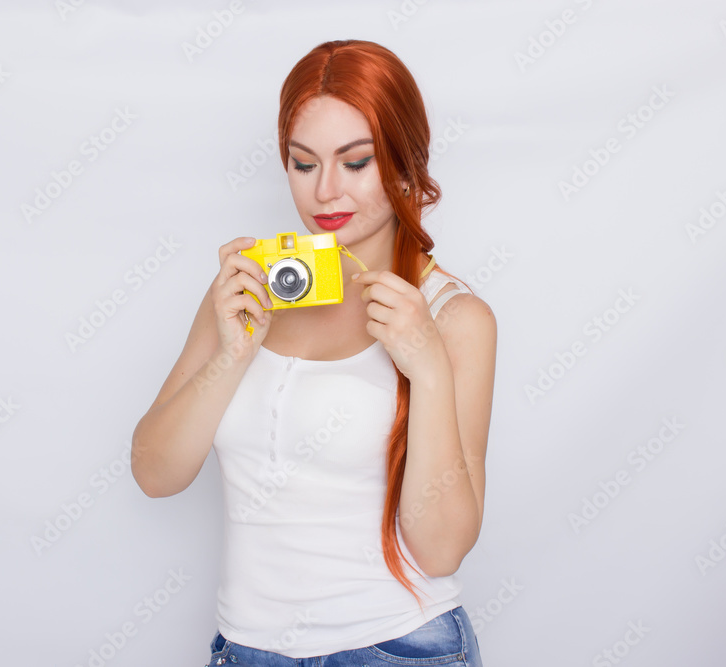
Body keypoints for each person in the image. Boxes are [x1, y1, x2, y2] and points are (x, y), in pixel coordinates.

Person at [131, 39, 496, 666]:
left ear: (405, 163)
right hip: (247, 650)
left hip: (396, 648)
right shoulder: (250, 292)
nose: (326, 191)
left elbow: (440, 551)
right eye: (304, 164)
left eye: (356, 162)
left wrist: (429, 369)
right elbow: (154, 475)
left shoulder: (454, 317)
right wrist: (232, 355)